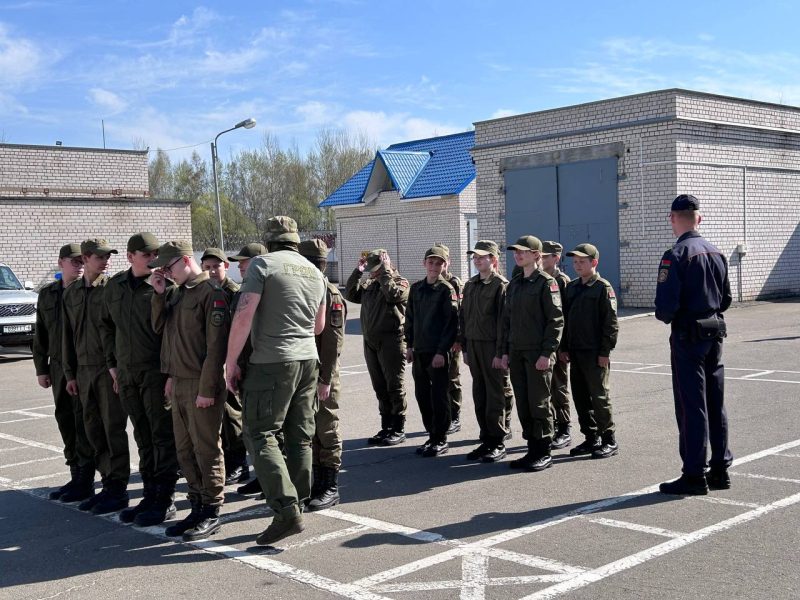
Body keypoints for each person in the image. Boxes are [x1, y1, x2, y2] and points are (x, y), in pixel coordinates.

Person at [225, 216, 326, 546]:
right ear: (295, 240)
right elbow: (319, 326)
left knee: (260, 432)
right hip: (308, 359)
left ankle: (286, 511)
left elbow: (244, 314)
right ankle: (298, 499)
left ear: (268, 240)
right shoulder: (315, 272)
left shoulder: (263, 265)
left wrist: (230, 363)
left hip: (272, 360)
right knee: (299, 434)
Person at [150, 241, 230, 541]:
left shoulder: (211, 293)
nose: (166, 273)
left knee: (206, 449)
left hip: (200, 383)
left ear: (185, 261)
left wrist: (207, 389)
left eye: (168, 267)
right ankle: (196, 505)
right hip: (180, 382)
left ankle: (211, 510)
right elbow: (160, 329)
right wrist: (159, 293)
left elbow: (216, 348)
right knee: (184, 451)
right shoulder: (175, 293)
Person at [655, 194, 733, 495]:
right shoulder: (716, 252)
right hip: (714, 332)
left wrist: (672, 314)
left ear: (673, 218)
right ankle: (720, 470)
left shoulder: (675, 255)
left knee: (691, 406)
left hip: (688, 336)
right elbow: (725, 299)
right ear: (699, 218)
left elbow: (665, 308)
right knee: (715, 401)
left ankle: (694, 474)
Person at [102, 233, 180, 526]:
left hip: (155, 373)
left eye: (155, 254)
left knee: (162, 437)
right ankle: (150, 495)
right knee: (143, 437)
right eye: (146, 254)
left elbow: (173, 333)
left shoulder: (165, 287)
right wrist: (112, 365)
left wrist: (171, 373)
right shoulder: (115, 286)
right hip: (127, 374)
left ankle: (165, 498)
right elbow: (106, 327)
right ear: (130, 256)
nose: (152, 259)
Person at [62, 239, 130, 514]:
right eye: (100, 257)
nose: (106, 261)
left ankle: (118, 489)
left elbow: (120, 332)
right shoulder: (72, 293)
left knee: (113, 429)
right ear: (86, 258)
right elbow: (67, 336)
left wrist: (118, 370)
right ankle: (107, 484)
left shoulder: (112, 289)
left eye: (108, 257)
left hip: (106, 370)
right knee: (93, 430)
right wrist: (70, 373)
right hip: (83, 371)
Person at [33, 243, 94, 503]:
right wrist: (41, 368)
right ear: (61, 263)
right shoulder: (48, 294)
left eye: (82, 262)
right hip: (58, 367)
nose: (79, 266)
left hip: (82, 366)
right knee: (65, 419)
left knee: (83, 422)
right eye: (74, 262)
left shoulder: (86, 291)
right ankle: (75, 474)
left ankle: (86, 479)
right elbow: (41, 333)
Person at [501, 236, 563, 472]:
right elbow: (507, 321)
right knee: (524, 403)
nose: (518, 255)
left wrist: (547, 353)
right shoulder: (515, 284)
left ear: (537, 255)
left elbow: (555, 321)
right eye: (516, 251)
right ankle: (532, 449)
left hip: (537, 353)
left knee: (539, 403)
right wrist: (505, 352)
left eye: (523, 251)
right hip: (517, 352)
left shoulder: (547, 283)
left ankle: (543, 451)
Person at [299, 239, 346, 511]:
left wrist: (325, 378)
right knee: (313, 430)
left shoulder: (329, 294)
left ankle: (330, 486)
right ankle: (318, 482)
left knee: (326, 428)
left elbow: (332, 342)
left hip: (324, 373)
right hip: (308, 373)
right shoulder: (308, 289)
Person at [560, 243, 619, 459]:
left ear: (594, 262)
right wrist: (564, 347)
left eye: (582, 262)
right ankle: (591, 438)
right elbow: (565, 320)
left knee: (599, 397)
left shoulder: (603, 288)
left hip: (595, 354)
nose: (577, 265)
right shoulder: (572, 287)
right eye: (575, 262)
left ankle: (609, 439)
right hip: (576, 352)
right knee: (581, 398)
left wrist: (605, 352)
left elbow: (610, 323)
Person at [344, 249, 409, 446]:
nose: (372, 272)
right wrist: (358, 271)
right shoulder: (371, 285)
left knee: (394, 386)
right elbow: (351, 294)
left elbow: (393, 296)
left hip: (391, 341)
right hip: (371, 342)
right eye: (370, 269)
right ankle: (386, 426)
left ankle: (398, 427)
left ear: (385, 265)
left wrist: (386, 272)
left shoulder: (399, 282)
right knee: (379, 386)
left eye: (375, 268)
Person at [459, 240, 513, 462]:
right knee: (480, 394)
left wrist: (501, 353)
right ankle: (486, 438)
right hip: (474, 345)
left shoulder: (501, 285)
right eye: (475, 257)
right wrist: (464, 347)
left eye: (482, 256)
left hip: (492, 346)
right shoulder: (470, 285)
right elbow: (463, 317)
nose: (477, 260)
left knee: (495, 394)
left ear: (493, 259)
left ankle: (497, 440)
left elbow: (504, 322)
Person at [201, 247, 250, 486]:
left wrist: (231, 362)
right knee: (218, 417)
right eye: (207, 267)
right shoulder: (206, 292)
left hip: (231, 361)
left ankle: (239, 464)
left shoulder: (234, 292)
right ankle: (228, 462)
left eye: (216, 266)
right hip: (213, 361)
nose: (211, 271)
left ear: (226, 267)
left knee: (232, 415)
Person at [405, 246, 459, 457]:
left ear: (444, 265)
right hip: (419, 350)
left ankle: (440, 438)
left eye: (439, 263)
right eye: (431, 262)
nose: (434, 266)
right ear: (424, 263)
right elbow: (410, 318)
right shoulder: (416, 288)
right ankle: (431, 434)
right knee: (422, 395)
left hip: (437, 353)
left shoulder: (446, 290)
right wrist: (409, 346)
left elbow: (450, 323)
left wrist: (441, 351)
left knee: (439, 396)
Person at [227, 242, 268, 496]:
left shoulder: (266, 291)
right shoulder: (243, 290)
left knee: (265, 430)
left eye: (245, 261)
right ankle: (262, 475)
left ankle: (273, 480)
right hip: (245, 368)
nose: (240, 266)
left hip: (260, 368)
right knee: (250, 429)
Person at [541, 241, 573, 450]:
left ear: (556, 258)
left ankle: (564, 428)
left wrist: (563, 347)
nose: (542, 259)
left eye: (546, 256)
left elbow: (565, 317)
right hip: (542, 342)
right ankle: (551, 426)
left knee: (559, 387)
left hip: (557, 344)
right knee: (545, 388)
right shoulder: (539, 279)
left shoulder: (562, 281)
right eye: (541, 256)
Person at [433, 244, 464, 435]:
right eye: (434, 261)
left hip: (451, 338)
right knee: (437, 380)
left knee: (452, 378)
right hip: (435, 340)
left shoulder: (453, 282)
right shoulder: (431, 282)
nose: (438, 265)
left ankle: (455, 415)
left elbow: (459, 311)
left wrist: (458, 338)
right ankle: (442, 415)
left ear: (448, 262)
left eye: (441, 261)